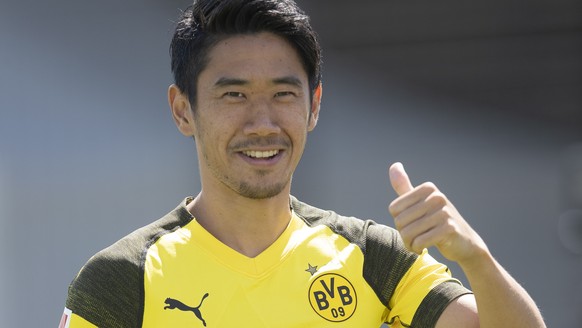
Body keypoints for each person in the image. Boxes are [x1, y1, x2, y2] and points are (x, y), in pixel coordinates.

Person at [60, 0, 546, 327]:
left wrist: (474, 258)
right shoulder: (124, 278)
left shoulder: (376, 257)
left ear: (314, 105)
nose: (263, 122)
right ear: (183, 109)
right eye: (234, 95)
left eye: (283, 93)